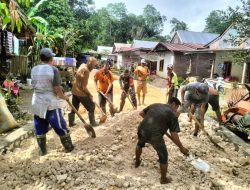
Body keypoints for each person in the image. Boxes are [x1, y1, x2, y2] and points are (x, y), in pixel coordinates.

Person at [135, 97, 189, 184]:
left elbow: (141, 113)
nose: (176, 110)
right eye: (176, 107)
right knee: (163, 156)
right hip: (155, 135)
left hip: (142, 129)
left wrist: (151, 123)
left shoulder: (155, 104)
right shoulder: (172, 114)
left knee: (140, 144)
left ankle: (137, 162)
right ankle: (163, 179)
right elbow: (174, 134)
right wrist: (181, 148)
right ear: (173, 104)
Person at [31, 48, 74, 156]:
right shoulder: (53, 69)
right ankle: (69, 147)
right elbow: (56, 89)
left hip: (37, 101)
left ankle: (42, 151)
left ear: (41, 58)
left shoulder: (34, 69)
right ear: (51, 58)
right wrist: (64, 97)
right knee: (60, 125)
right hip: (50, 102)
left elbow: (35, 84)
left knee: (39, 127)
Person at [68, 57, 98, 127]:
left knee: (74, 107)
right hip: (80, 93)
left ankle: (71, 122)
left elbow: (75, 74)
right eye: (93, 65)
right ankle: (92, 123)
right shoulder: (86, 71)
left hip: (74, 90)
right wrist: (90, 94)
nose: (94, 67)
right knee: (92, 106)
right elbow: (84, 87)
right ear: (89, 63)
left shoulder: (82, 65)